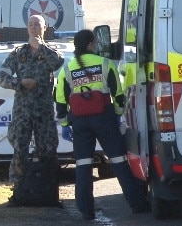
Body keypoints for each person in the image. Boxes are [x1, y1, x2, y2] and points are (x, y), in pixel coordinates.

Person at [55, 29, 150, 220]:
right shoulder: (105, 64)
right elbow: (119, 95)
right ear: (91, 44)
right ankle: (137, 204)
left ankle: (86, 210)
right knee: (119, 161)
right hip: (104, 119)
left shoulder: (67, 69)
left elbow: (60, 100)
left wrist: (65, 123)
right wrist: (117, 115)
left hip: (80, 122)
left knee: (83, 166)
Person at [0, 15, 64, 205]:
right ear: (27, 28)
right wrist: (19, 83)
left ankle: (49, 193)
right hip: (23, 111)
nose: (34, 28)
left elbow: (58, 63)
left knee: (48, 150)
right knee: (20, 149)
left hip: (43, 110)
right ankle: (19, 193)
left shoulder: (51, 51)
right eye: (31, 25)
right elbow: (2, 76)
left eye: (38, 25)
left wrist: (40, 46)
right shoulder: (18, 53)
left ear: (45, 28)